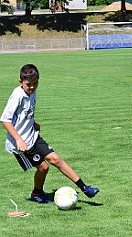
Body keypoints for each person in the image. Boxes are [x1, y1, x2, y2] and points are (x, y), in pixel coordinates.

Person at [0, 64, 99, 203]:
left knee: (56, 159)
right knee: (44, 168)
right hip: (22, 143)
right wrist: (18, 139)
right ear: (20, 82)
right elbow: (5, 119)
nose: (32, 87)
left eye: (35, 83)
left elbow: (24, 113)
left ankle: (85, 188)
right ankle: (37, 193)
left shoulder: (31, 92)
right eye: (29, 84)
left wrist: (32, 123)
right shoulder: (17, 95)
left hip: (33, 136)